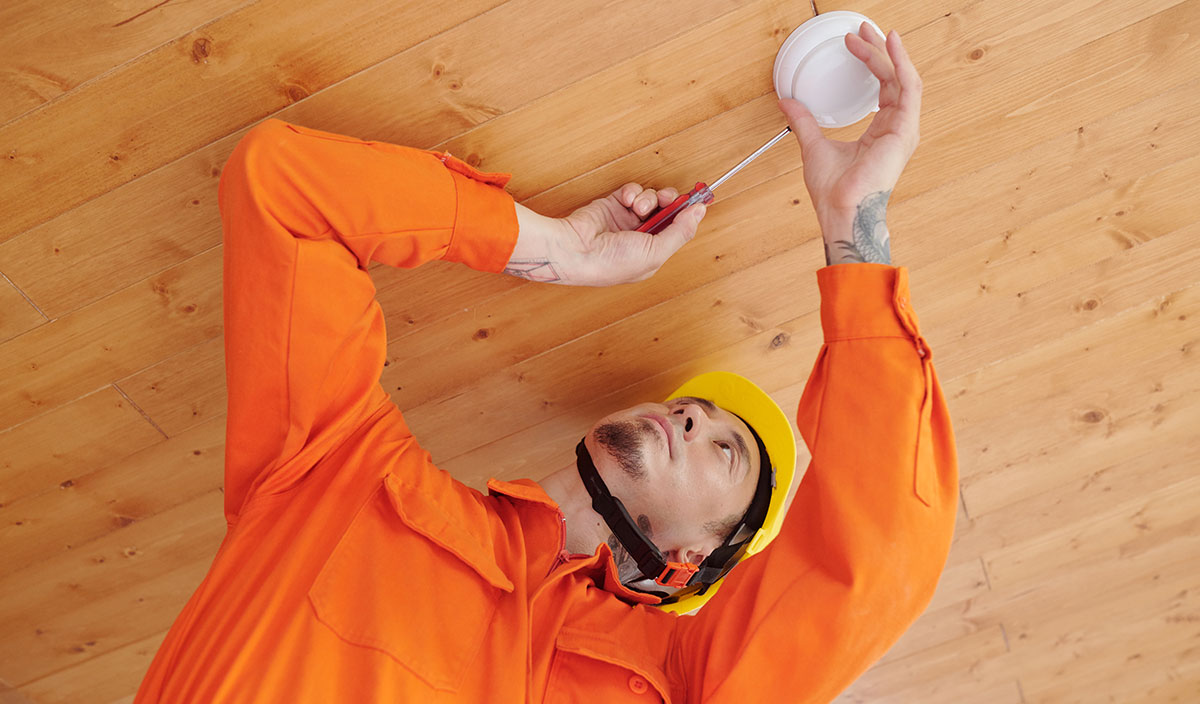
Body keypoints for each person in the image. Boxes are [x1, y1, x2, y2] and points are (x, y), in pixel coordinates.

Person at [135, 23, 957, 703]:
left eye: (725, 450)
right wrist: (549, 250)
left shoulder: (677, 685)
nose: (696, 416)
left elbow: (878, 550)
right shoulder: (333, 470)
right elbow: (286, 189)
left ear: (691, 570)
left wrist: (856, 220)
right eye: (704, 416)